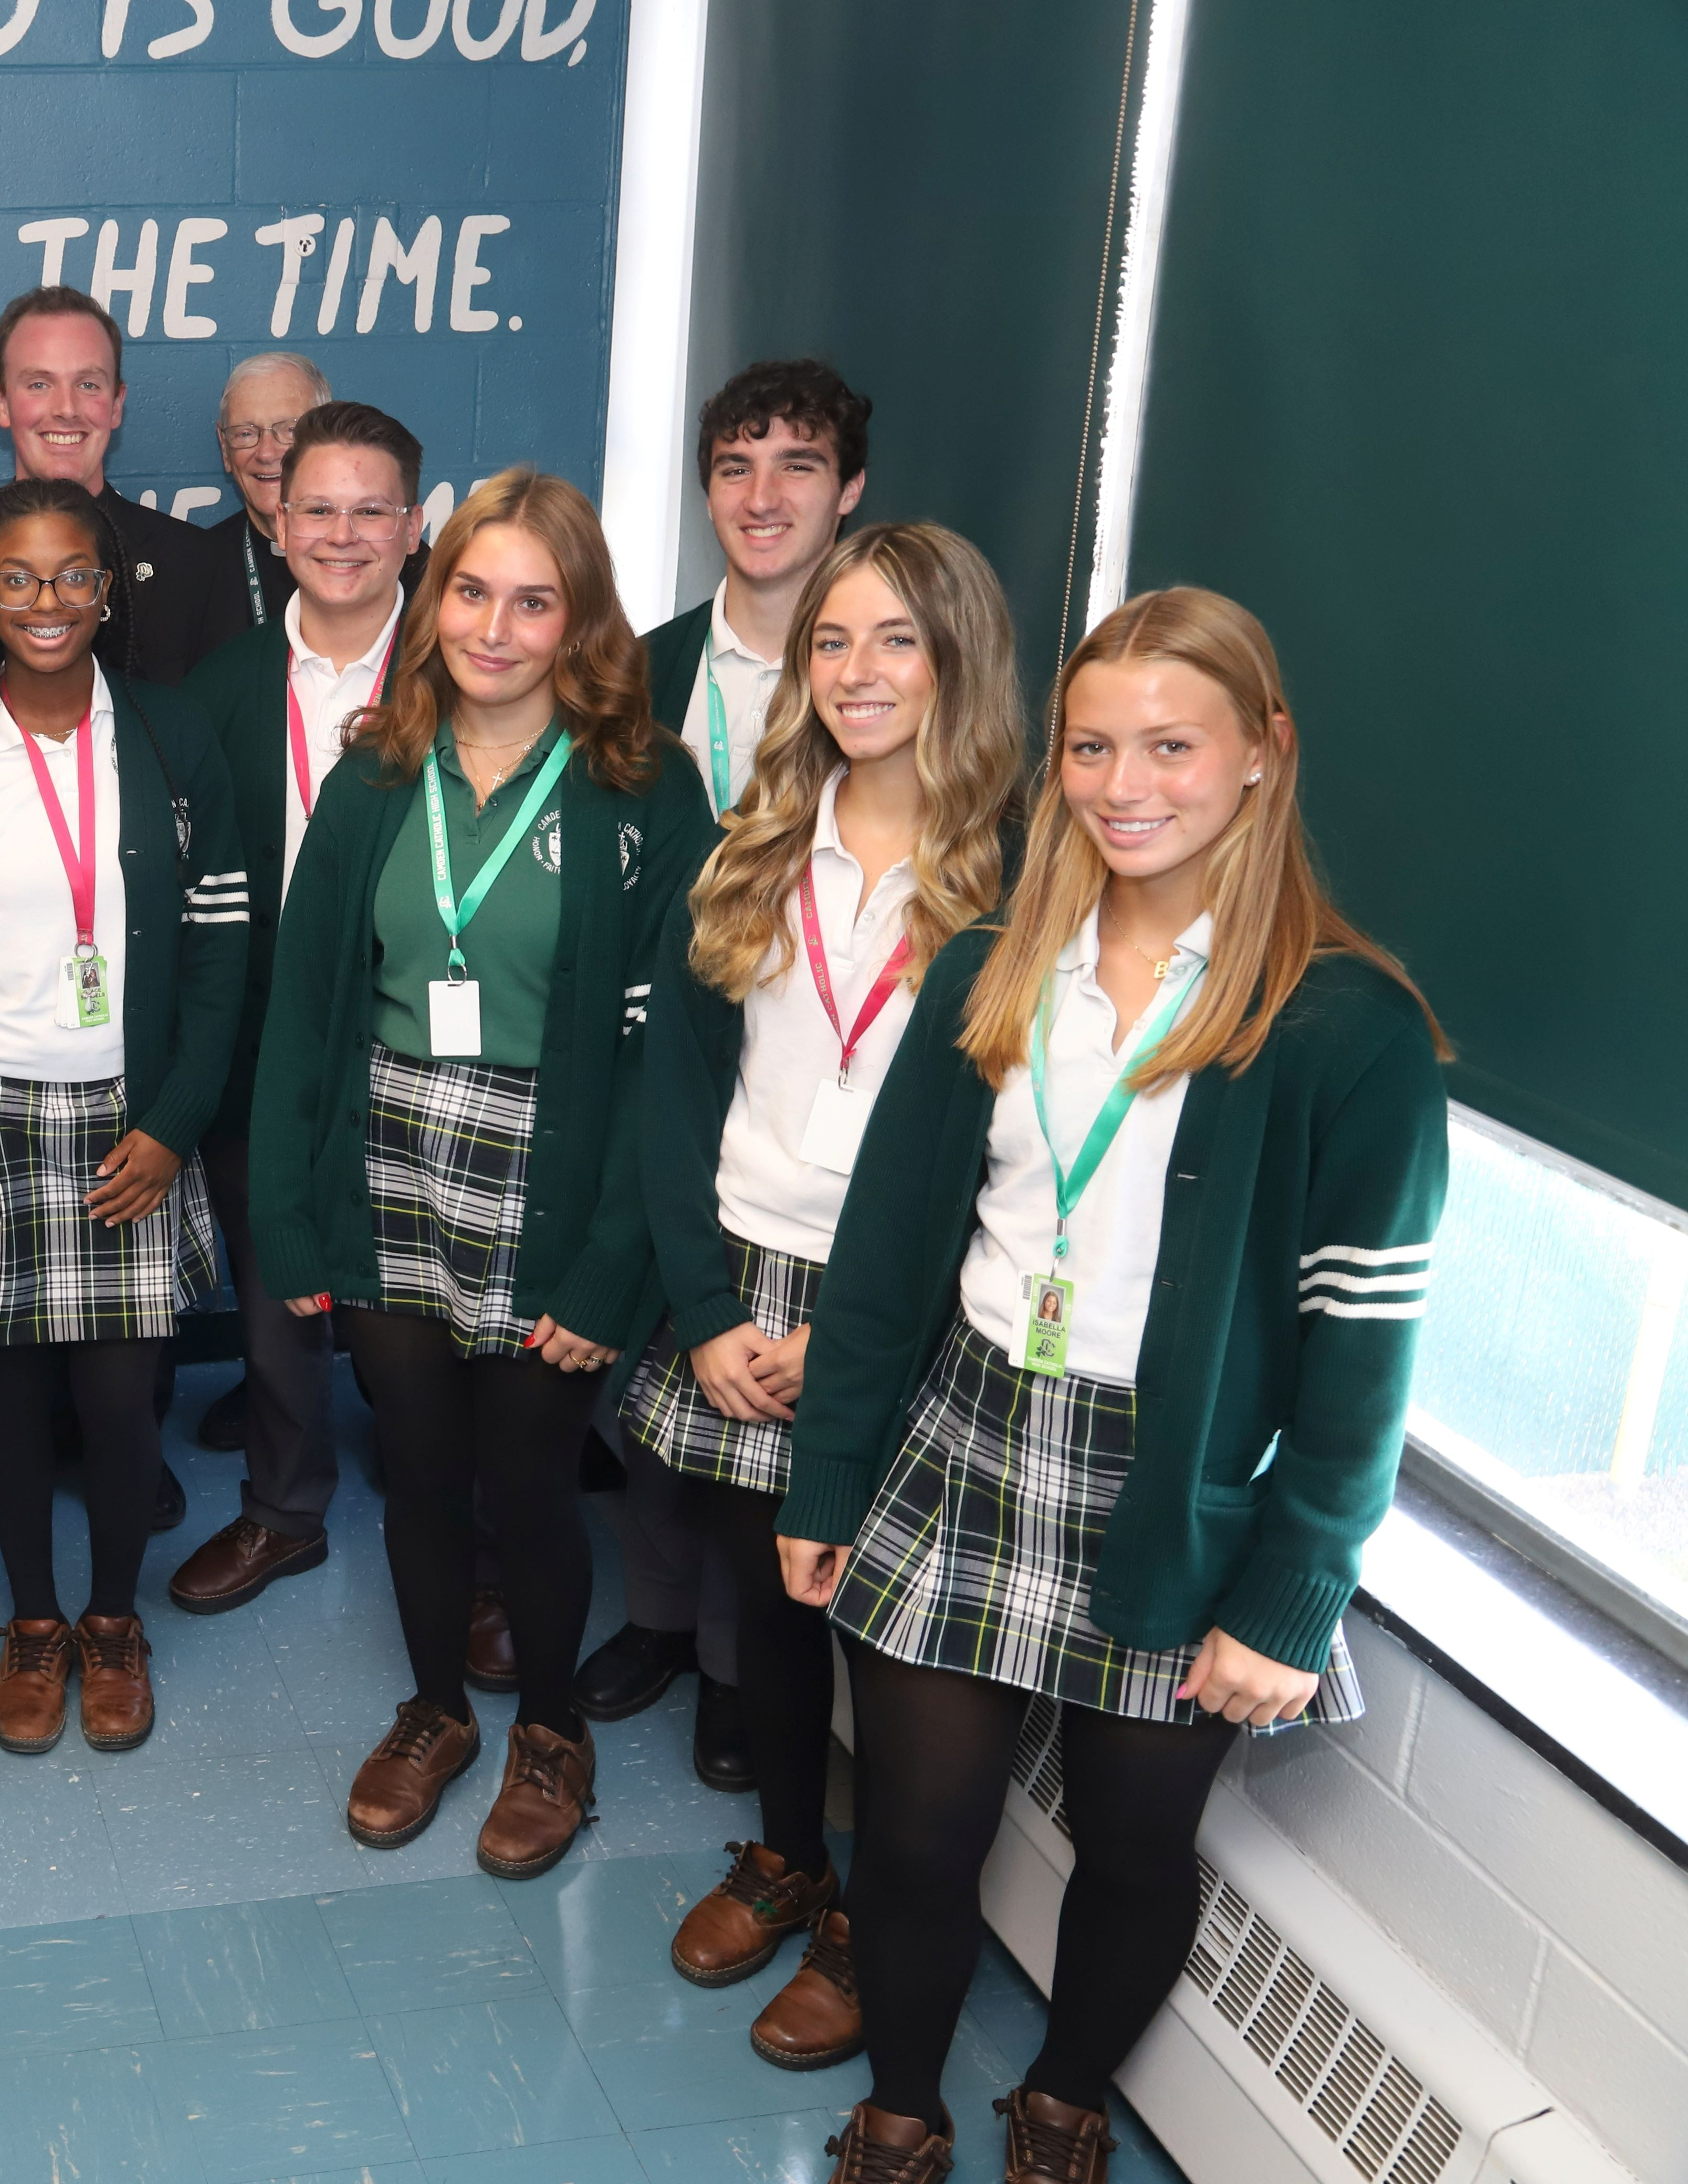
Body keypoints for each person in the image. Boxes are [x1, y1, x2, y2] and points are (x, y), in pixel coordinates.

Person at [775, 589, 1449, 2183]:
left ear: (1262, 756)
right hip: (966, 1444)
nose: (1123, 781)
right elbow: (879, 1269)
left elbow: (1365, 1352)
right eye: (1090, 745)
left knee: (1135, 1845)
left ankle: (1064, 2101)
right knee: (918, 1838)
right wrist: (825, 1477)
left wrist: (1291, 1596)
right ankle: (900, 2116)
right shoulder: (995, 979)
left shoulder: (1348, 1030)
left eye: (1170, 743)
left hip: (1175, 1486)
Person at [250, 469, 709, 1880]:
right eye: (471, 591)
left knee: (530, 1485)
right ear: (433, 595)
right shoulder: (377, 775)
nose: (495, 629)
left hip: (552, 1175)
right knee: (424, 1473)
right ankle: (438, 1709)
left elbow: (671, 1066)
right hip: (391, 1150)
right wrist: (292, 1219)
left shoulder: (645, 792)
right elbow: (309, 1014)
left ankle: (553, 1732)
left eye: (535, 601)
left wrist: (613, 1268)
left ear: (580, 624)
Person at [620, 523, 1026, 2074]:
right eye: (833, 642)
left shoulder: (1022, 873)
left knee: (882, 1636)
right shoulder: (756, 840)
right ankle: (787, 1852)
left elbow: (1013, 1148)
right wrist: (710, 1310)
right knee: (766, 1615)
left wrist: (843, 1331)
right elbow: (676, 1094)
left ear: (959, 661)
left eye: (896, 642)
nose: (858, 673)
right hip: (739, 1288)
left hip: (899, 1301)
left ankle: (870, 1909)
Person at [0, 476, 247, 1758]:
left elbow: (218, 952)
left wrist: (177, 1123)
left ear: (108, 589)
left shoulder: (170, 734)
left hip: (133, 1120)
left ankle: (109, 1619)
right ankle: (32, 1623)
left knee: (125, 1399)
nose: (47, 601)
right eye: (17, 578)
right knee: (14, 1398)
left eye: (73, 575)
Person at [581, 356, 875, 1789]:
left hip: (807, 1062)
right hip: (657, 1054)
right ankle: (649, 1618)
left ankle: (729, 1665)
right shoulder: (647, 666)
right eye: (737, 469)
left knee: (751, 1393)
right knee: (657, 1364)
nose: (764, 498)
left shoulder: (884, 670)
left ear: (851, 491)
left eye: (799, 467)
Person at [165, 401, 425, 1615]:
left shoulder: (461, 672)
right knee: (275, 1301)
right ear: (274, 525)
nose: (340, 533)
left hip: (424, 1043)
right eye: (314, 508)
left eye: (370, 510)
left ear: (412, 527)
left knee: (428, 1307)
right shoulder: (221, 686)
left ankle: (457, 1539)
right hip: (268, 1042)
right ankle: (283, 1512)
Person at [0, 287, 229, 685]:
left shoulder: (198, 569)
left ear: (116, 405)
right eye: (40, 384)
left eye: (89, 385)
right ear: (2, 403)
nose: (66, 409)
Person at [198, 351, 329, 638]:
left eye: (290, 430)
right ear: (225, 449)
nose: (267, 453)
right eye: (246, 434)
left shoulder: (385, 556)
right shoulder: (194, 573)